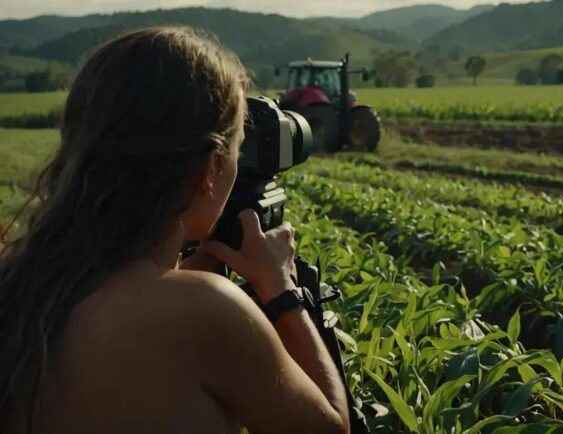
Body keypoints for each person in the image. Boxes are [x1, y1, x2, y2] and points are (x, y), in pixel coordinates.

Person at [0, 27, 350, 434]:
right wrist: (282, 291)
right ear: (209, 169)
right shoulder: (204, 310)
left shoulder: (20, 280)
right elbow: (328, 430)